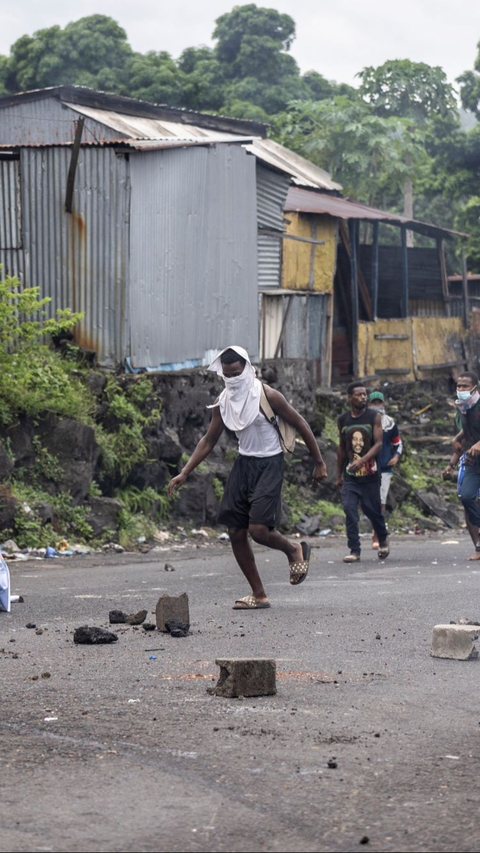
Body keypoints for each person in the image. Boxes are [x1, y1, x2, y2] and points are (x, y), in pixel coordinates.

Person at [167, 346, 328, 609]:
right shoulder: (223, 401)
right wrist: (185, 472)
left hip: (270, 463)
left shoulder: (268, 395)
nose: (232, 379)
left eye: (236, 373)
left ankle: (293, 549)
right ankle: (259, 594)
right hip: (244, 464)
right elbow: (209, 439)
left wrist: (319, 461)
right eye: (227, 375)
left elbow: (301, 424)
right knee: (235, 532)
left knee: (259, 531)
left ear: (247, 369)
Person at [336, 382, 390, 563]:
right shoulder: (343, 420)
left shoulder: (373, 417)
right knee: (350, 510)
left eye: (364, 394)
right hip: (350, 476)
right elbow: (342, 448)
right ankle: (354, 550)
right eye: (358, 395)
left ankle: (382, 539)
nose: (363, 398)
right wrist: (338, 475)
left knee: (373, 511)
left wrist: (362, 460)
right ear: (349, 397)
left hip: (370, 475)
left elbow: (379, 444)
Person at [443, 371, 480, 560]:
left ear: (475, 387)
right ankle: (479, 544)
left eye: (465, 386)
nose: (461, 389)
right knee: (466, 497)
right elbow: (467, 431)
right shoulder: (463, 407)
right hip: (472, 462)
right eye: (459, 386)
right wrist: (456, 439)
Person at [368, 391, 403, 549]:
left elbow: (397, 443)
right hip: (368, 467)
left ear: (384, 404)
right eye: (373, 403)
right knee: (369, 502)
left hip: (385, 467)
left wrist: (395, 457)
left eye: (379, 402)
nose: (377, 406)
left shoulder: (389, 423)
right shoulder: (364, 421)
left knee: (380, 503)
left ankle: (378, 536)